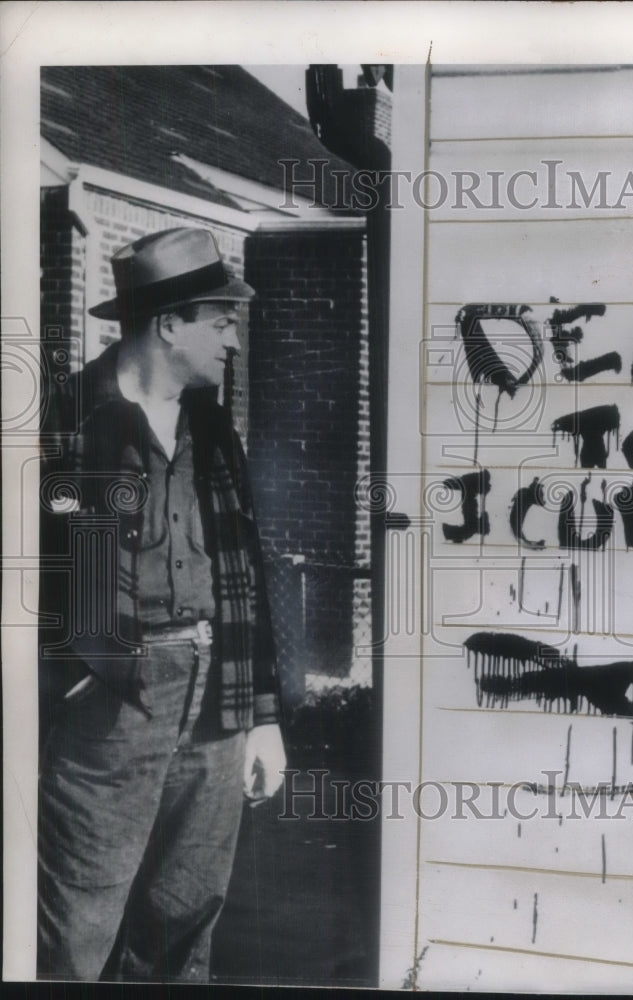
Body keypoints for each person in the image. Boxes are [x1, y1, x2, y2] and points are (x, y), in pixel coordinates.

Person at [37, 227, 287, 981]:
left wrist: (263, 718)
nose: (233, 341)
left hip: (216, 698)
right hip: (108, 705)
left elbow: (245, 574)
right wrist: (67, 687)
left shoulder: (213, 428)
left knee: (183, 923)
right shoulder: (66, 420)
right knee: (75, 934)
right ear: (169, 324)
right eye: (221, 322)